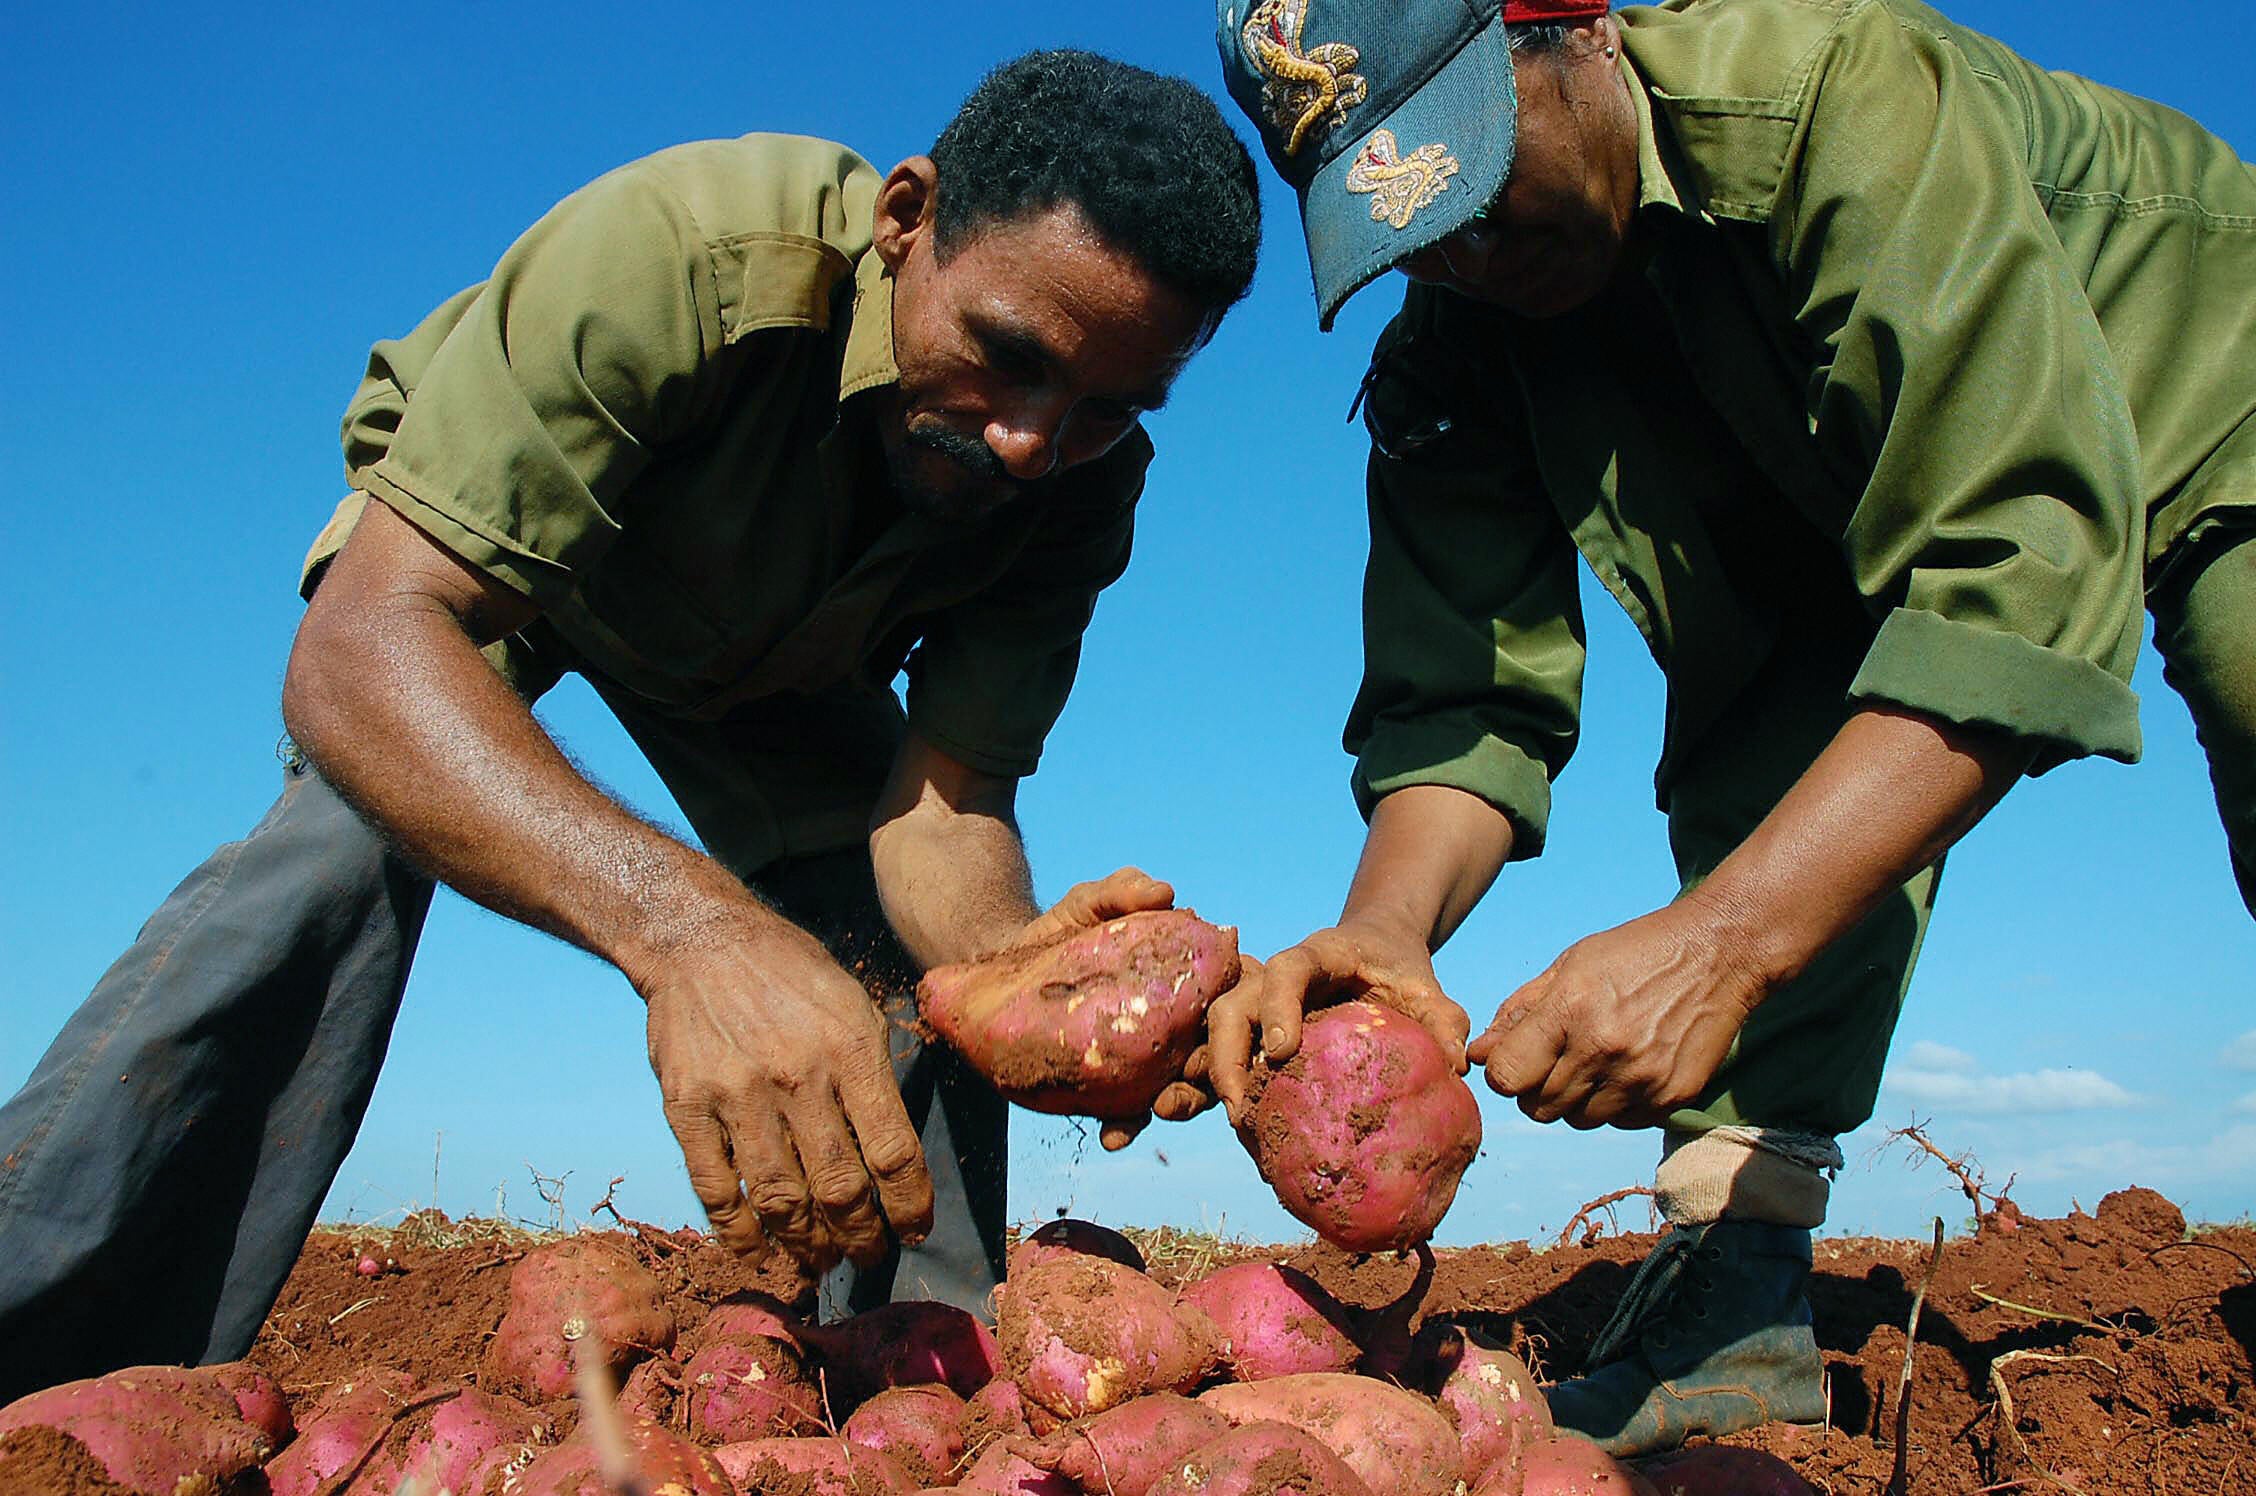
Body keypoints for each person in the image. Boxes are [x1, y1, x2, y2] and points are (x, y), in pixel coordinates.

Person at [0, 50, 1261, 1403]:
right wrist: (691, 934)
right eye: (1009, 356)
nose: (1028, 442)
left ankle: (911, 1390)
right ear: (908, 220)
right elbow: (361, 650)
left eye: (1104, 408)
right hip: (507, 567)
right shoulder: (688, 254)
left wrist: (1014, 977)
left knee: (907, 967)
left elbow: (944, 807)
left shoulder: (1080, 488)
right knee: (345, 843)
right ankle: (52, 1347)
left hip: (775, 663)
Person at [1209, 0, 2253, 1457]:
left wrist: (1724, 943)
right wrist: (1388, 934)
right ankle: (1739, 1278)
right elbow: (1463, 701)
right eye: (1408, 226)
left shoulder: (1838, 96)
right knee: (1769, 713)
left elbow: (2017, 569)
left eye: (1473, 176)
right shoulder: (1463, 341)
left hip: (2194, 352)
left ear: (1573, 28)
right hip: (1831, 472)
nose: (1467, 253)